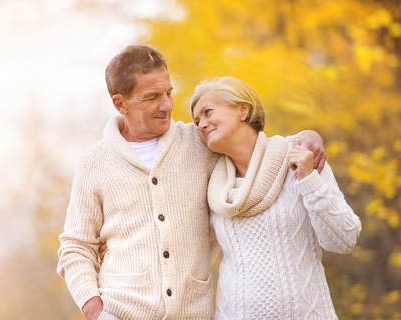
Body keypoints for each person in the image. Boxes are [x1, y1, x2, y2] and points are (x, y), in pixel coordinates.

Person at [56, 45, 326, 320]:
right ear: (120, 103)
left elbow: (258, 147)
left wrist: (309, 136)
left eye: (168, 92)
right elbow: (76, 246)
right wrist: (95, 310)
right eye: (152, 97)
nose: (167, 105)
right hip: (119, 312)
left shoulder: (199, 143)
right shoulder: (94, 162)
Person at [190, 76, 362, 319]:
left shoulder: (299, 157)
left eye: (208, 112)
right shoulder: (213, 187)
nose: (201, 124)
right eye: (197, 120)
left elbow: (344, 240)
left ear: (242, 110)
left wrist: (309, 180)